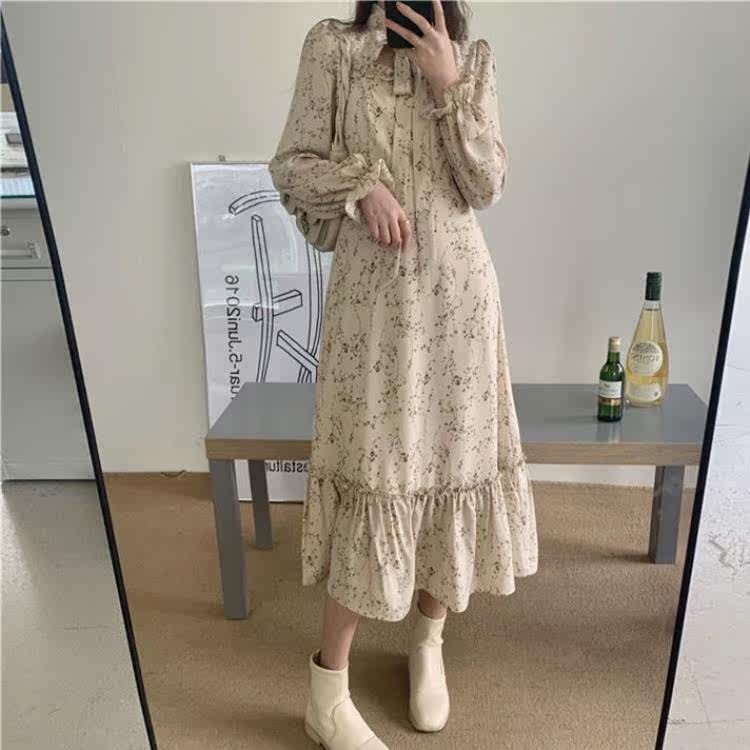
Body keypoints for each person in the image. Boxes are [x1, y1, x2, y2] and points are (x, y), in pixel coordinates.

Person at [268, 2, 538, 747]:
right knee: (375, 473)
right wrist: (361, 187)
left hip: (460, 303)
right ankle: (327, 690)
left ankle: (428, 640)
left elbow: (487, 184)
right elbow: (291, 164)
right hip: (374, 308)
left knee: (450, 467)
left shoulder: (472, 58)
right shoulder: (334, 48)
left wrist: (449, 83)